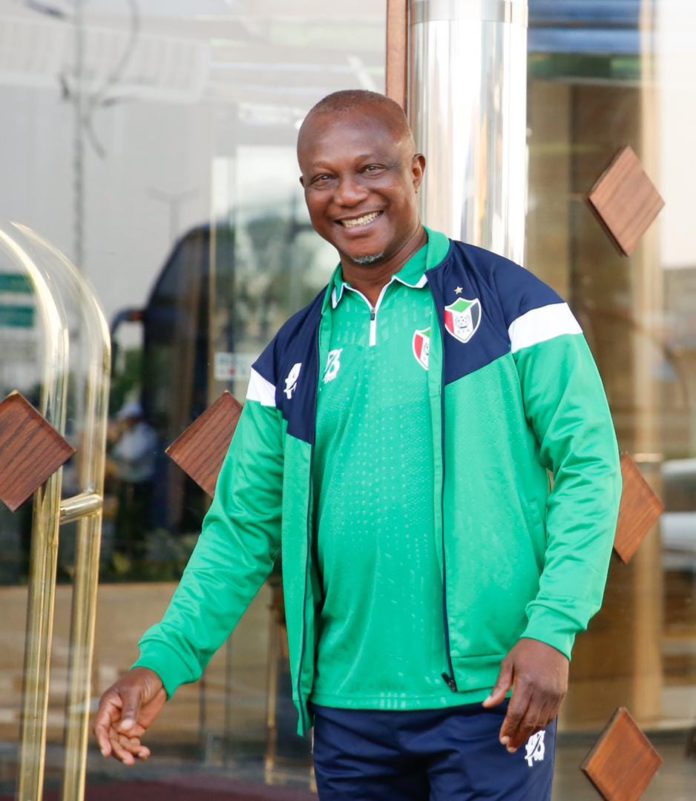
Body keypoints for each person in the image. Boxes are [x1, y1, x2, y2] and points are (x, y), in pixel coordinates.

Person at [94, 90, 622, 800]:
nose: (348, 195)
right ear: (306, 190)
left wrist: (552, 629)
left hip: (492, 696)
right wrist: (162, 661)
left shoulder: (515, 307)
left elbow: (589, 468)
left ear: (415, 170)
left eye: (371, 168)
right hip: (347, 711)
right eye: (324, 177)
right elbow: (241, 530)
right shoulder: (291, 357)